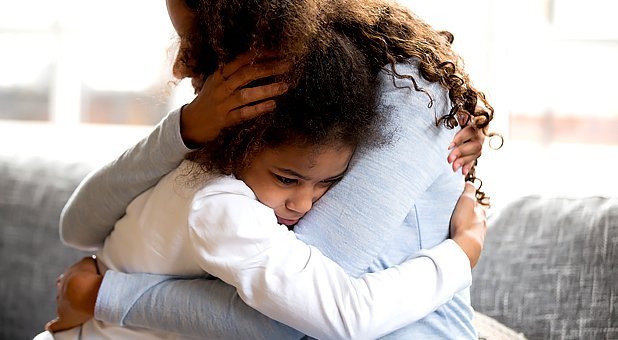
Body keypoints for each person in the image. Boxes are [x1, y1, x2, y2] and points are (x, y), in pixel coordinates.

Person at [47, 0, 494, 338]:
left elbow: (292, 323)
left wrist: (104, 295)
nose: (181, 66)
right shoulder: (258, 110)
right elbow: (78, 226)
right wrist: (184, 128)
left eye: (196, 39)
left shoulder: (407, 90)